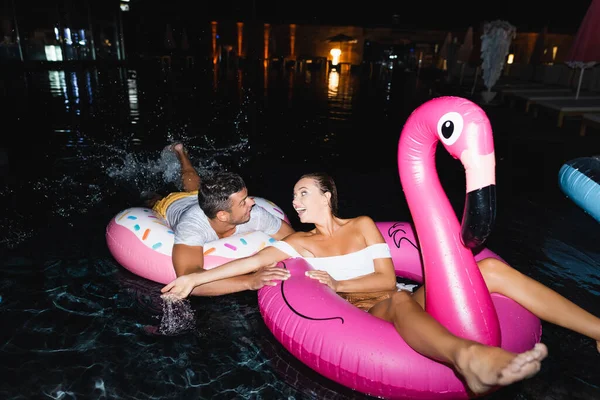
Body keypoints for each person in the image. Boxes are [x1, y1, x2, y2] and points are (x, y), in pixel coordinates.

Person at [161, 172, 599, 394]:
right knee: (399, 304)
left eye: (303, 193)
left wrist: (335, 282)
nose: (294, 202)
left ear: (327, 197)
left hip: (397, 297)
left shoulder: (364, 225)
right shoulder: (298, 243)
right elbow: (251, 262)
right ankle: (469, 359)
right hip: (372, 314)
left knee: (489, 272)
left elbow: (389, 277)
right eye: (293, 196)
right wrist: (194, 279)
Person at [147, 143, 295, 294]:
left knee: (194, 189)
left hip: (206, 201)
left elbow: (295, 241)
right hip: (173, 204)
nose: (252, 202)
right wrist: (249, 281)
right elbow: (189, 280)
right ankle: (150, 193)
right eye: (243, 202)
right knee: (152, 199)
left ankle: (181, 153)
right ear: (223, 216)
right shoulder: (191, 227)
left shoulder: (255, 214)